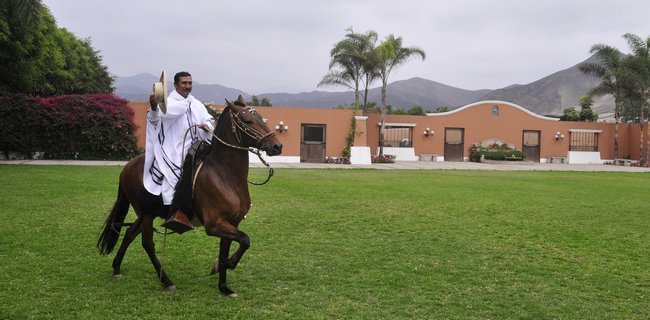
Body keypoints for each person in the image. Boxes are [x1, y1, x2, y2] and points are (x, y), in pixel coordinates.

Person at [143, 71, 214, 233]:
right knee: (174, 174)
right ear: (175, 85)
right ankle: (175, 212)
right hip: (173, 149)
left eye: (189, 83)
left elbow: (209, 119)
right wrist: (154, 108)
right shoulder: (167, 103)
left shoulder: (196, 104)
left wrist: (207, 126)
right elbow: (153, 120)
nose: (187, 86)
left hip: (196, 149)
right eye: (184, 83)